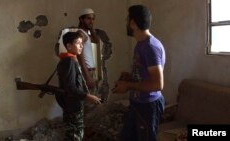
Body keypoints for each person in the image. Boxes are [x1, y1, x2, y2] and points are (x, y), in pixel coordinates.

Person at [112, 5, 166, 141]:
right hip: (137, 103)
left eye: (127, 20)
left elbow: (157, 84)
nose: (126, 23)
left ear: (133, 23)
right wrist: (130, 77)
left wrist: (128, 86)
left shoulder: (150, 47)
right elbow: (145, 76)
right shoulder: (140, 44)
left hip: (148, 106)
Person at [55, 8, 112, 103]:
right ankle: (86, 118)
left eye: (93, 19)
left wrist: (91, 28)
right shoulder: (81, 33)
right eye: (88, 19)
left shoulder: (87, 33)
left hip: (90, 71)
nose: (91, 21)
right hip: (87, 72)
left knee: (92, 101)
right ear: (81, 19)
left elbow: (97, 41)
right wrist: (88, 77)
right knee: (89, 102)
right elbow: (79, 56)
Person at [55, 31, 101, 141]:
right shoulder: (69, 62)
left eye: (82, 43)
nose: (81, 45)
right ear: (69, 46)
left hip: (72, 105)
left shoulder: (70, 59)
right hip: (73, 106)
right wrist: (88, 96)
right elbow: (70, 87)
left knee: (73, 134)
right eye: (78, 43)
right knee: (75, 135)